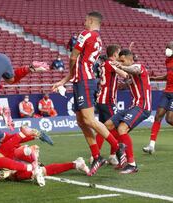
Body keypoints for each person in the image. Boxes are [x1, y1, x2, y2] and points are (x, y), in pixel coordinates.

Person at [51, 11, 125, 176]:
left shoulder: (86, 34)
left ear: (91, 21)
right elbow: (78, 64)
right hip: (81, 80)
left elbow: (73, 58)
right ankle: (97, 156)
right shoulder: (98, 38)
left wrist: (71, 70)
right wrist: (63, 81)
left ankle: (117, 146)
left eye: (85, 19)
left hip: (84, 81)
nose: (84, 21)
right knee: (82, 122)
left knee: (89, 120)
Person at [105, 49, 152, 174]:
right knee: (107, 126)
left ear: (129, 59)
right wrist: (122, 84)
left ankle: (132, 164)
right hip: (133, 106)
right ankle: (122, 158)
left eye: (122, 60)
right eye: (119, 61)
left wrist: (121, 66)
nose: (120, 62)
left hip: (142, 106)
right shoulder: (130, 72)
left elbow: (135, 69)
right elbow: (129, 81)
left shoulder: (139, 67)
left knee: (122, 129)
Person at [95, 45, 129, 165]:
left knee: (102, 128)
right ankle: (113, 155)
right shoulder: (111, 64)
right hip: (107, 101)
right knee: (117, 127)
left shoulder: (104, 63)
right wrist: (127, 63)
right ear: (115, 54)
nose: (119, 56)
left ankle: (95, 155)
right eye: (118, 54)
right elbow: (125, 75)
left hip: (101, 101)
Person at [143, 41, 173, 154]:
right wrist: (155, 79)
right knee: (158, 116)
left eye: (169, 47)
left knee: (169, 119)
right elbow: (168, 75)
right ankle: (151, 145)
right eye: (166, 47)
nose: (166, 49)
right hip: (167, 92)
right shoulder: (168, 61)